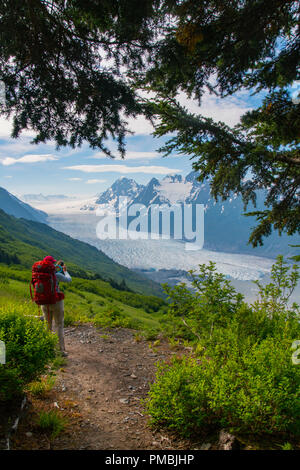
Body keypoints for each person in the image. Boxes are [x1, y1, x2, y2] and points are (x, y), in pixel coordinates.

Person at [40, 255, 72, 357]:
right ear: (52, 264)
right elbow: (68, 280)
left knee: (47, 325)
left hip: (44, 302)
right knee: (59, 325)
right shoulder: (56, 275)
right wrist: (65, 271)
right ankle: (60, 350)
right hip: (56, 302)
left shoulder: (40, 273)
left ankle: (47, 348)